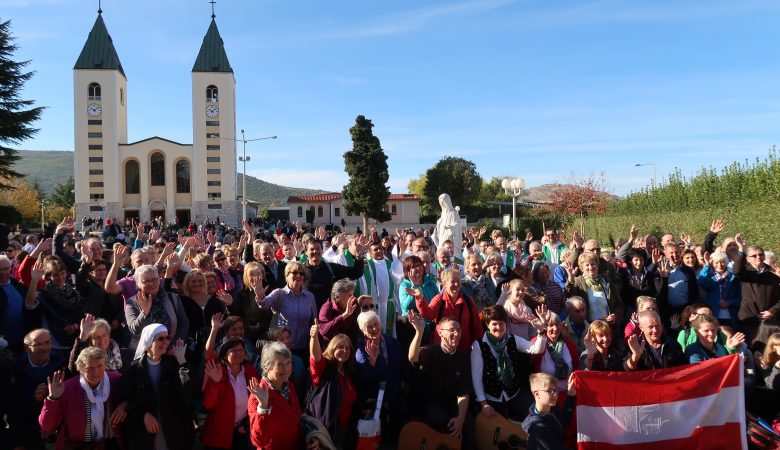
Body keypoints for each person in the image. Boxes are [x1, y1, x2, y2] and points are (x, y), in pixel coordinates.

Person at [407, 312, 476, 449]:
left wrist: (460, 419)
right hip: (429, 402)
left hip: (451, 402)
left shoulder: (463, 358)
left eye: (458, 330)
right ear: (440, 333)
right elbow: (413, 358)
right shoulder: (430, 351)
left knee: (468, 421)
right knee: (443, 420)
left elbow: (463, 393)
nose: (456, 334)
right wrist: (419, 332)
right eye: (451, 330)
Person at [122, 324, 195, 450]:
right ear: (149, 340)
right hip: (146, 435)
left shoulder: (173, 364)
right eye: (160, 338)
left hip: (174, 431)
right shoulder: (134, 369)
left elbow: (189, 388)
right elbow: (127, 403)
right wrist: (143, 415)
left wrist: (182, 361)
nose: (166, 342)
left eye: (167, 338)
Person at [472, 305, 549, 421]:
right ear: (487, 325)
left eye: (501, 323)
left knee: (538, 415)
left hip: (514, 393)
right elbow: (476, 377)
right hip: (492, 398)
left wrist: (541, 331)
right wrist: (483, 403)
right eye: (494, 324)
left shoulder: (513, 339)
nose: (498, 327)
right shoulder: (478, 346)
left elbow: (536, 349)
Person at [39, 347, 126, 450]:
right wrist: (53, 398)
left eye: (100, 366)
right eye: (90, 368)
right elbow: (47, 426)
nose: (96, 372)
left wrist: (125, 404)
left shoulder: (118, 381)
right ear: (80, 368)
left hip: (112, 444)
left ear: (105, 365)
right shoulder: (66, 388)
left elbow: (135, 399)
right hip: (78, 445)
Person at [247, 341, 326, 450]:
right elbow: (258, 441)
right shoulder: (257, 396)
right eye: (280, 364)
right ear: (267, 367)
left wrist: (312, 436)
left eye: (288, 363)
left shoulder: (288, 386)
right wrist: (263, 407)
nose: (286, 369)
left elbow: (298, 418)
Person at [354, 310, 407, 444]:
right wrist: (372, 362)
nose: (374, 329)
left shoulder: (393, 343)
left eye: (375, 324)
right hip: (376, 403)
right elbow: (364, 380)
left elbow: (404, 367)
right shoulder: (361, 352)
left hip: (396, 395)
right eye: (369, 327)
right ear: (363, 331)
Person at [9, 329, 67, 450]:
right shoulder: (15, 367)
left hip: (58, 429)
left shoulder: (63, 363)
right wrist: (33, 397)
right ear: (26, 348)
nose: (44, 348)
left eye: (47, 342)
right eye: (38, 344)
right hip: (28, 430)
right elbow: (12, 406)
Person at [201, 338, 259, 450]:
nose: (239, 353)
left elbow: (257, 402)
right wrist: (216, 383)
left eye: (241, 350)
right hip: (218, 434)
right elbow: (208, 404)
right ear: (224, 355)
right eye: (234, 350)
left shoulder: (251, 372)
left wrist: (247, 423)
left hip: (241, 431)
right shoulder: (216, 372)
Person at [255, 261, 317, 360]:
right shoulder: (279, 293)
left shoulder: (310, 297)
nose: (298, 275)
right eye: (295, 272)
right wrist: (259, 296)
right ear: (286, 276)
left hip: (303, 347)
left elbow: (314, 321)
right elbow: (264, 305)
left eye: (301, 273)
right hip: (281, 347)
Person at [307, 325, 357, 447]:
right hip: (325, 432)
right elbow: (315, 357)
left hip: (343, 433)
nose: (344, 351)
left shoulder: (348, 373)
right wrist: (314, 338)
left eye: (347, 348)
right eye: (340, 347)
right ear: (332, 348)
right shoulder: (324, 369)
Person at [412, 268, 483, 353]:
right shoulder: (439, 300)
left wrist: (479, 345)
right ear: (445, 284)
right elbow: (428, 314)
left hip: (464, 350)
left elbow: (477, 326)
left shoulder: (468, 301)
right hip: (442, 349)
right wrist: (420, 299)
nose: (456, 284)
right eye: (453, 281)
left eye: (458, 281)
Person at [124, 264, 189, 352]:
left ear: (159, 280)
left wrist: (174, 346)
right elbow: (134, 330)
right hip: (144, 353)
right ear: (138, 284)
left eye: (155, 279)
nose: (151, 283)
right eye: (146, 281)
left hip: (170, 351)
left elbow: (183, 323)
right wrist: (144, 312)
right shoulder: (132, 302)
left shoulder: (173, 298)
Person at [26, 256, 85, 350]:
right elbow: (29, 305)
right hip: (53, 343)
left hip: (72, 340)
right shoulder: (44, 294)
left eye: (62, 273)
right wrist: (34, 280)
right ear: (49, 276)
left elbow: (80, 314)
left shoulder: (73, 292)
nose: (61, 277)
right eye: (56, 275)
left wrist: (75, 326)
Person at [564, 252, 623, 327]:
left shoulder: (606, 281)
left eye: (593, 264)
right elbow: (568, 295)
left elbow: (619, 304)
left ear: (597, 266)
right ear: (582, 268)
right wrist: (570, 280)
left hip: (606, 326)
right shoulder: (578, 282)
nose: (591, 267)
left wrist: (615, 315)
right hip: (587, 326)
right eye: (587, 265)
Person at [521, 372, 577, 450]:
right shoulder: (540, 429)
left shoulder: (552, 409)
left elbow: (564, 418)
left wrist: (570, 395)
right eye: (550, 391)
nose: (555, 394)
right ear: (537, 394)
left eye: (556, 390)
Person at [531, 312, 579, 399]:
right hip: (547, 395)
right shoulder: (537, 344)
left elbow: (576, 369)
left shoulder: (570, 345)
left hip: (568, 393)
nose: (555, 328)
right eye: (551, 325)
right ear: (544, 327)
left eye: (558, 324)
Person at [228, 262, 273, 343]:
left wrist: (261, 326)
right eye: (251, 274)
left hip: (266, 336)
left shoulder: (270, 291)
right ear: (246, 277)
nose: (255, 277)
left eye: (258, 273)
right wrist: (230, 304)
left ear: (263, 275)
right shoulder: (242, 293)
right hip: (246, 335)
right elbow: (237, 316)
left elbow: (273, 315)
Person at [697, 252, 741, 328]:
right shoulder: (710, 277)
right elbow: (701, 281)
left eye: (722, 262)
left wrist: (729, 303)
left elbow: (739, 298)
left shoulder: (733, 277)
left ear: (726, 263)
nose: (719, 265)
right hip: (714, 314)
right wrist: (707, 265)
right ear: (712, 263)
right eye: (716, 262)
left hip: (731, 315)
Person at [0, 254, 34, 352]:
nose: (3, 272)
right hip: (4, 346)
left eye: (6, 269)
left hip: (25, 341)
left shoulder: (19, 287)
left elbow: (30, 307)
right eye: (0, 269)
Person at [317, 279, 360, 346]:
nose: (353, 298)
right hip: (330, 347)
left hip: (349, 346)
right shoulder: (327, 307)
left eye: (353, 294)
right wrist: (344, 316)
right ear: (337, 297)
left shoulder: (354, 305)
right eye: (349, 295)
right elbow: (323, 330)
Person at [435, 193, 462, 259]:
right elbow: (439, 227)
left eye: (443, 202)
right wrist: (438, 223)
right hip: (442, 237)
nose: (442, 204)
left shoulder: (453, 213)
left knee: (449, 252)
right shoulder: (443, 214)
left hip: (450, 237)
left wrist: (451, 227)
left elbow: (458, 225)